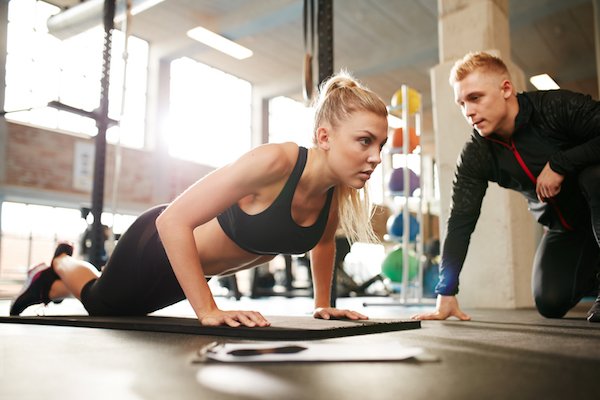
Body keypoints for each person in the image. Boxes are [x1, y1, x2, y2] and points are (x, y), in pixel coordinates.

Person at [9, 70, 389, 327]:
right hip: (159, 247)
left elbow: (322, 244)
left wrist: (321, 304)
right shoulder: (276, 162)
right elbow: (171, 221)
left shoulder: (335, 193)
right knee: (98, 303)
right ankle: (61, 262)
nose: (375, 156)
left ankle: (48, 283)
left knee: (124, 311)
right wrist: (207, 309)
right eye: (365, 141)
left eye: (381, 144)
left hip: (189, 272)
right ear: (324, 137)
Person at [412, 51, 600, 323]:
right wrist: (446, 292)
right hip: (566, 228)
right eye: (462, 103)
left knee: (595, 175)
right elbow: (460, 221)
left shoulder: (553, 108)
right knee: (550, 302)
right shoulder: (478, 154)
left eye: (475, 98)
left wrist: (562, 163)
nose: (468, 111)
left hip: (594, 198)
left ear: (506, 89)